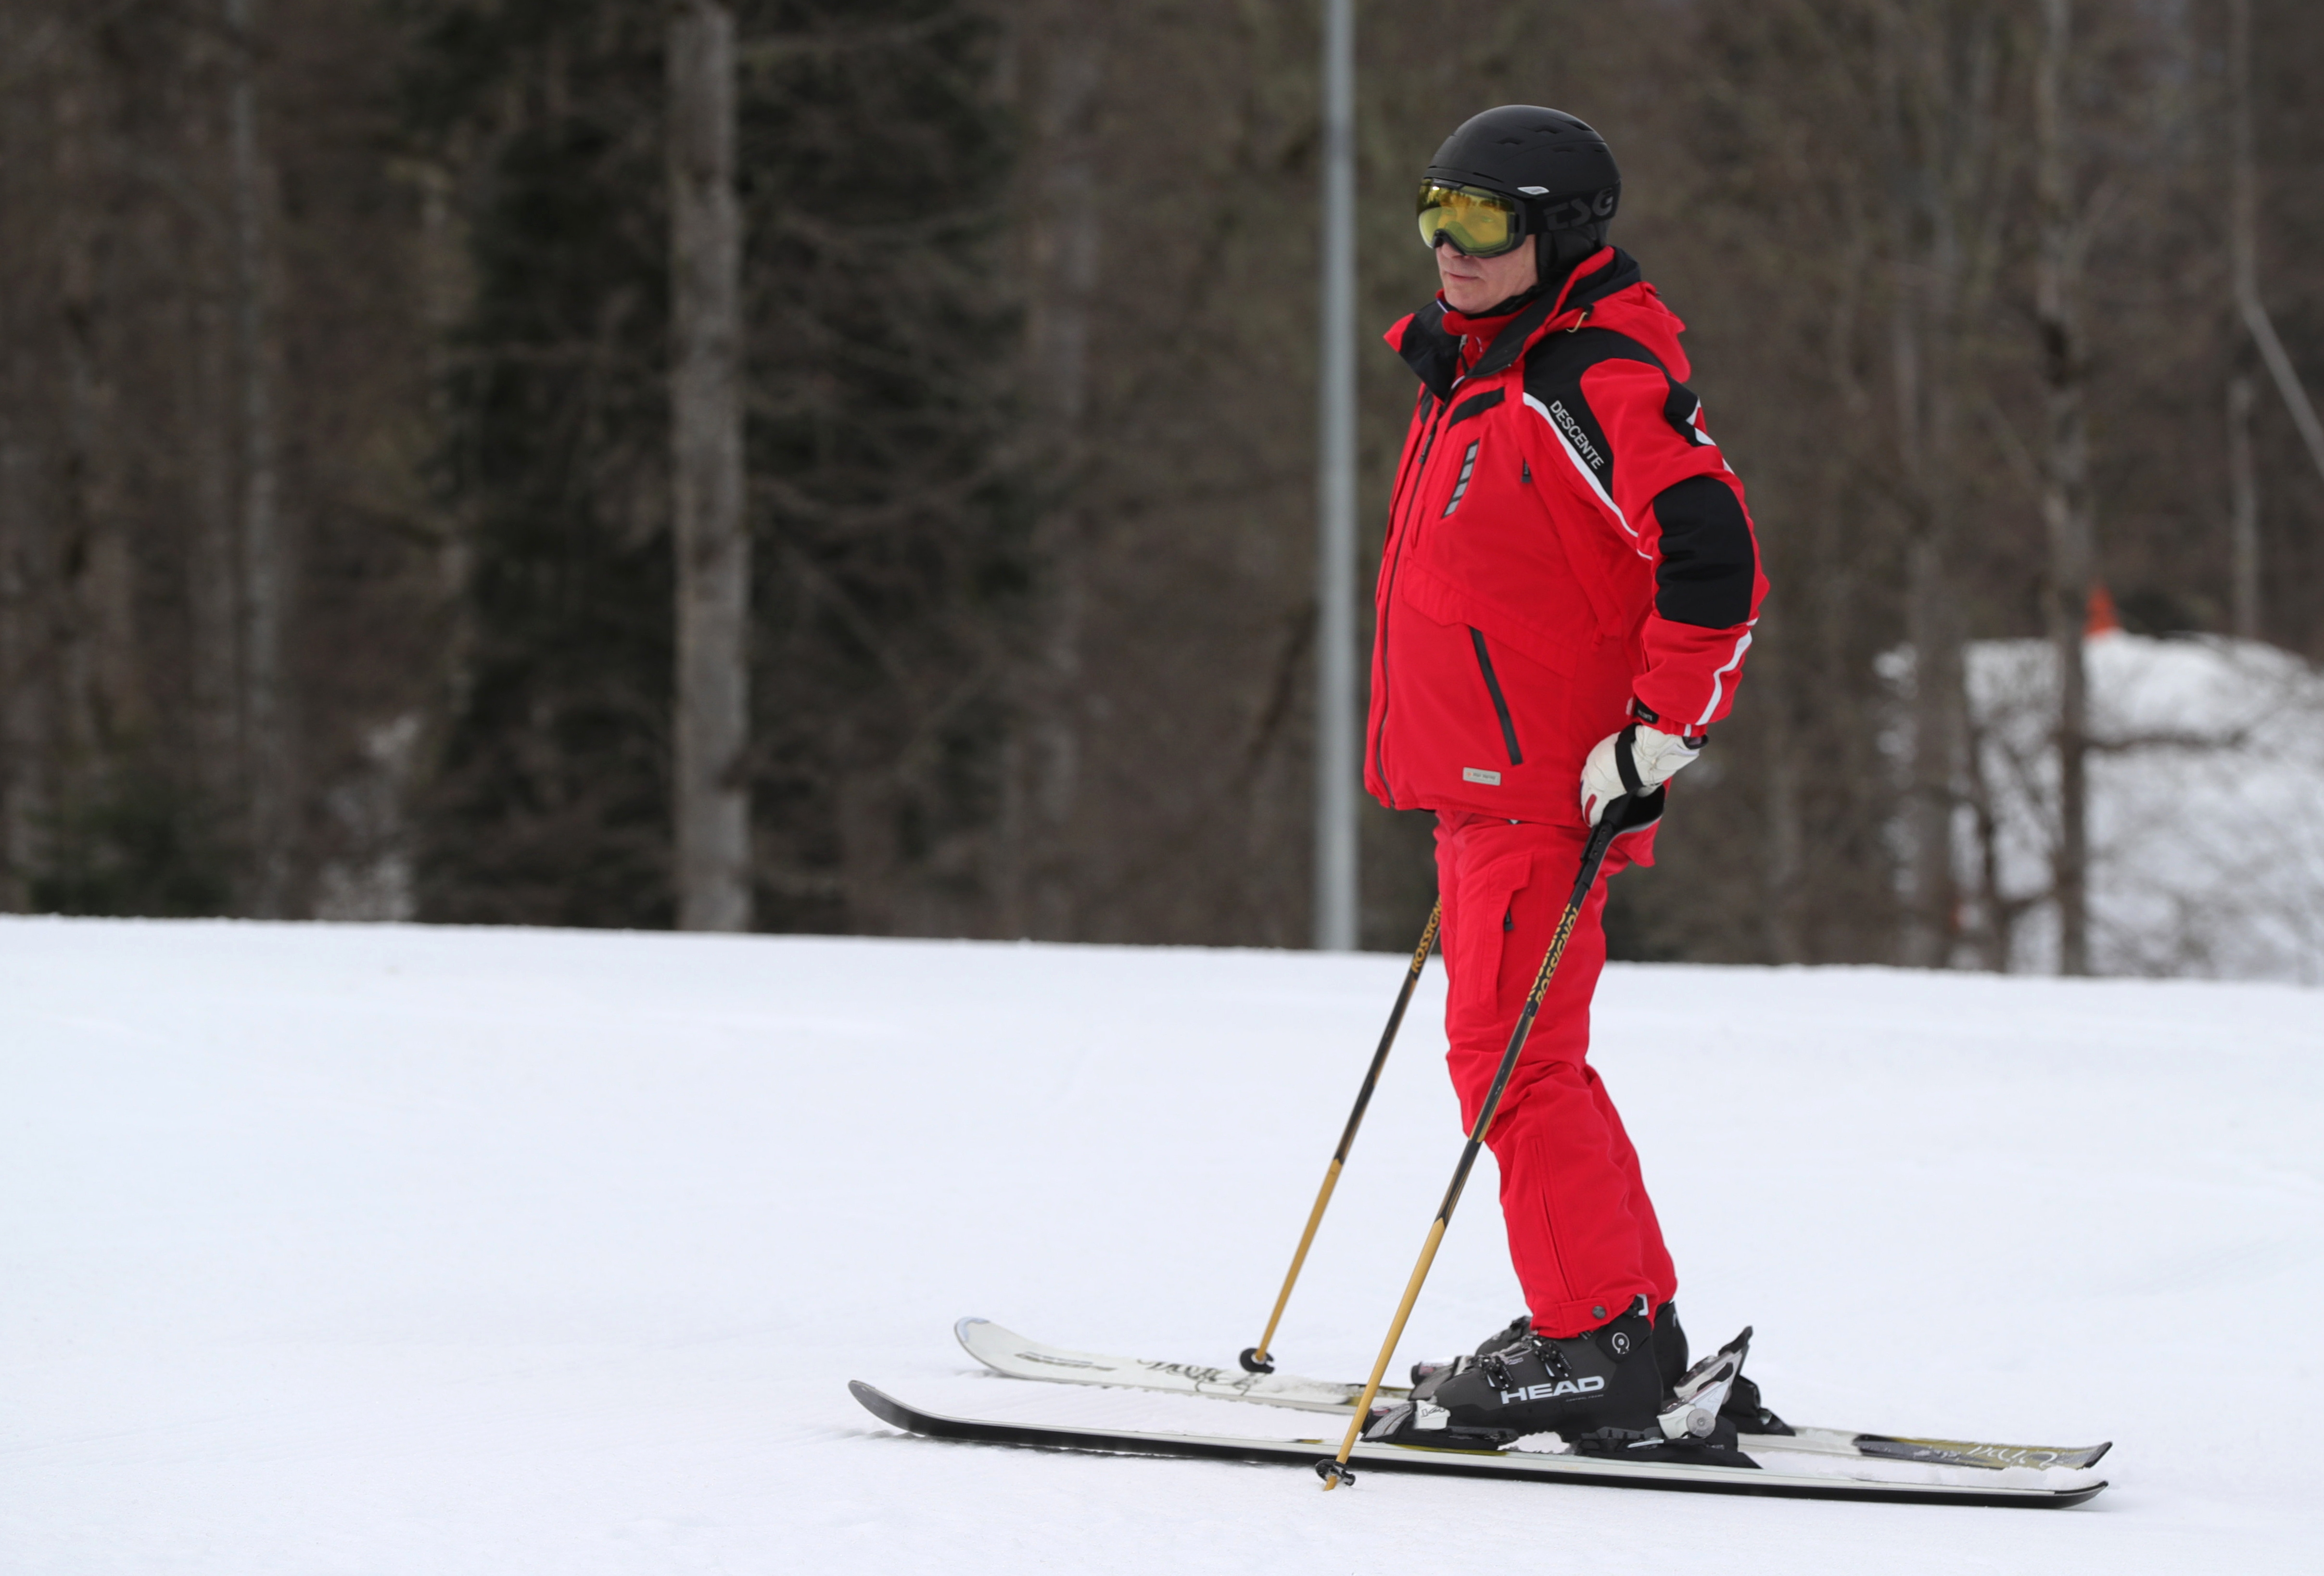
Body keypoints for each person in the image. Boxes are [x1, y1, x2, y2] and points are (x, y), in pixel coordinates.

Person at [1359, 106, 1770, 1453]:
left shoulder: (1582, 375)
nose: (1448, 243)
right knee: (1522, 1057)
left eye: (1484, 219)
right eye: (1435, 209)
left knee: (1513, 1060)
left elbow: (1714, 551)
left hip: (1544, 788)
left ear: (1561, 233)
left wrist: (1662, 732)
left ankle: (1594, 1341)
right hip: (1483, 779)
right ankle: (1628, 1326)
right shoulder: (1484, 364)